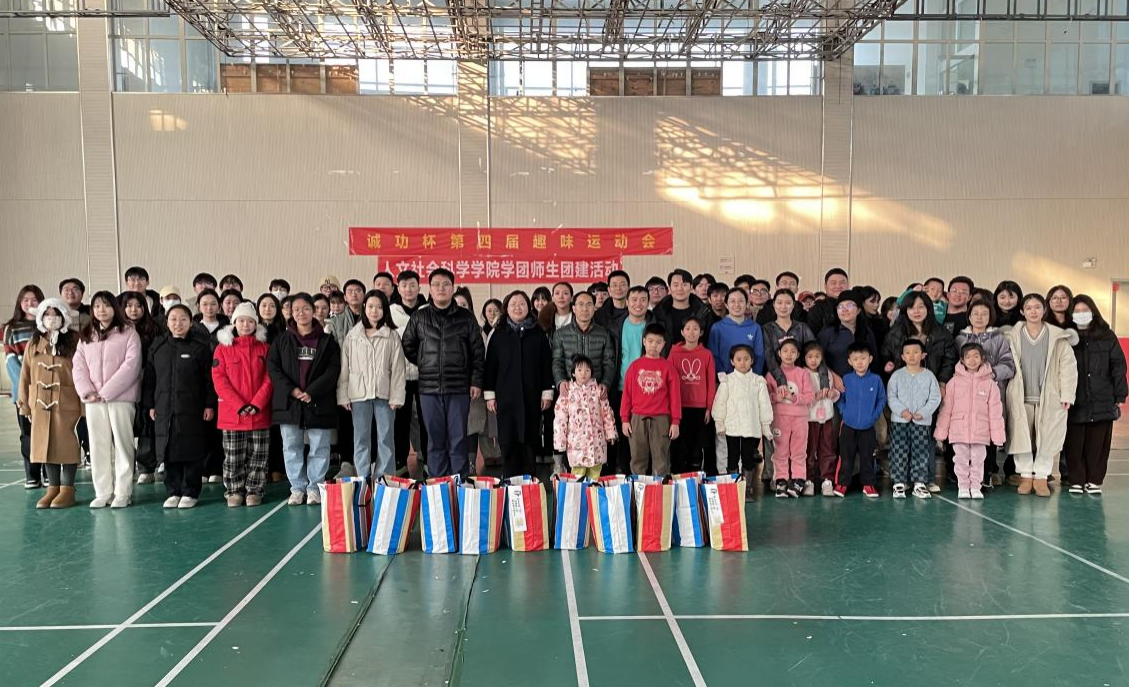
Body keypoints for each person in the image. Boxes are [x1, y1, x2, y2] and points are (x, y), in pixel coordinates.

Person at [401, 269, 486, 479]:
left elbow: (478, 351)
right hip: (429, 389)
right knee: (434, 440)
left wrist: (475, 381)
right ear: (430, 289)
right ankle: (438, 485)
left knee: (458, 439)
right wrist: (425, 362)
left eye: (446, 284)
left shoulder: (466, 318)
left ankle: (459, 483)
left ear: (452, 288)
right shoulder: (419, 317)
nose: (441, 288)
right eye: (436, 284)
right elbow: (408, 345)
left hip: (459, 388)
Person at [268, 293, 341, 505]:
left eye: (306, 308)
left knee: (319, 446)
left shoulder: (327, 341)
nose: (301, 313)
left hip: (318, 402)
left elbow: (333, 369)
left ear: (314, 311)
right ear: (291, 313)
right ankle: (297, 488)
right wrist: (292, 390)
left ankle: (315, 487)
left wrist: (312, 391)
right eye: (296, 309)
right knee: (291, 446)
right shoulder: (282, 340)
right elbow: (273, 368)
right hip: (289, 403)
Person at [1004, 294, 1078, 497]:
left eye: (1037, 307)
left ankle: (1042, 477)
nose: (1033, 311)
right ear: (1022, 311)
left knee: (1048, 438)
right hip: (1021, 396)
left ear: (1044, 310)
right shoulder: (1011, 336)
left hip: (1050, 397)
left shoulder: (1057, 337)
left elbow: (1068, 367)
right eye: (1029, 308)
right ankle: (1026, 476)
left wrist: (1067, 394)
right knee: (1021, 437)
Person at [73, 291, 142, 508]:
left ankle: (123, 492)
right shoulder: (86, 336)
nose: (101, 310)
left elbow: (131, 365)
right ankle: (103, 492)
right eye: (96, 306)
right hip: (93, 400)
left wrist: (107, 391)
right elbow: (78, 366)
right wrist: (87, 391)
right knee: (97, 445)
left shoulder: (129, 333)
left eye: (106, 305)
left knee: (123, 444)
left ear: (115, 308)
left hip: (120, 398)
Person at [145, 305, 216, 509]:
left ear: (191, 322)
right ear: (167, 322)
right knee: (168, 450)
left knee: (191, 449)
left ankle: (190, 491)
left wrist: (209, 404)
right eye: (174, 319)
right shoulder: (158, 347)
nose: (178, 323)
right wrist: (150, 404)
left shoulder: (200, 347)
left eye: (183, 319)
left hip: (193, 408)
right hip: (164, 407)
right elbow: (150, 379)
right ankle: (173, 491)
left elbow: (209, 380)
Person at [17, 299, 81, 509]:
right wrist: (24, 403)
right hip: (40, 401)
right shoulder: (34, 342)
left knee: (67, 444)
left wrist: (83, 404)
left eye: (55, 314)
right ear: (40, 317)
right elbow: (25, 374)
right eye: (47, 314)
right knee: (45, 444)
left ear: (63, 317)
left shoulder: (74, 340)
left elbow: (82, 371)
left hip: (67, 399)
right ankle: (52, 488)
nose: (51, 318)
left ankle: (67, 489)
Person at [337, 290, 406, 482]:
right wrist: (343, 395)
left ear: (385, 310)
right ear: (364, 308)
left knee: (385, 439)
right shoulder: (353, 336)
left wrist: (397, 396)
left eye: (379, 307)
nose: (374, 311)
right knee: (361, 439)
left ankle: (384, 480)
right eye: (370, 306)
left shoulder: (391, 336)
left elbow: (398, 369)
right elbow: (345, 368)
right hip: (358, 394)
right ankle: (363, 478)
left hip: (385, 394)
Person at [485, 290, 554, 478]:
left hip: (532, 396)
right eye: (513, 304)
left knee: (530, 441)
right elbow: (490, 366)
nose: (518, 307)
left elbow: (546, 364)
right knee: (508, 441)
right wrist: (490, 395)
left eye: (522, 304)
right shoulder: (498, 334)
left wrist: (546, 392)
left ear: (528, 307)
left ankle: (529, 484)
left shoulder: (537, 333)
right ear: (506, 308)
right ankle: (509, 482)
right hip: (505, 397)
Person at [1063, 295, 1127, 495]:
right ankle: (1076, 479)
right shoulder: (1066, 336)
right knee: (1074, 442)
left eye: (1085, 310)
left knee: (1098, 443)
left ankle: (1094, 480)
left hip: (1103, 396)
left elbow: (1118, 365)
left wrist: (1120, 394)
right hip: (1074, 397)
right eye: (1077, 311)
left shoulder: (1107, 335)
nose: (1081, 314)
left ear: (1093, 312)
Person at [213, 302, 274, 507]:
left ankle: (255, 490)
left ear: (256, 324)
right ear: (234, 323)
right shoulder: (222, 349)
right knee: (233, 456)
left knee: (259, 455)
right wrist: (239, 404)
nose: (245, 325)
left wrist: (257, 403)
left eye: (250, 321)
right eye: (241, 321)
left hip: (259, 412)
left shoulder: (265, 349)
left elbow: (269, 379)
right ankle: (234, 490)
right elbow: (219, 380)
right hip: (232, 414)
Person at [956, 299, 1015, 489]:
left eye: (984, 313)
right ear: (969, 316)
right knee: (964, 435)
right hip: (965, 396)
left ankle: (988, 473)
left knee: (987, 433)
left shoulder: (999, 339)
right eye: (976, 313)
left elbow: (1009, 365)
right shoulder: (960, 339)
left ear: (991, 316)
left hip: (990, 393)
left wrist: (991, 374)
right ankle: (963, 477)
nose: (979, 317)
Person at [935, 343, 1007, 499]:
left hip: (981, 432)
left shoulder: (990, 384)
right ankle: (963, 486)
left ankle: (975, 487)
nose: (972, 360)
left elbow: (995, 412)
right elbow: (946, 410)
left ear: (982, 359)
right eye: (968, 357)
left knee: (978, 460)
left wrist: (997, 437)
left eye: (976, 356)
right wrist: (941, 432)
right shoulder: (953, 382)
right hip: (958, 430)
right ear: (962, 360)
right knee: (960, 459)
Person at [620, 323, 680, 476]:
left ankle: (661, 489)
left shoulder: (668, 368)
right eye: (650, 341)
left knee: (661, 459)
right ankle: (638, 489)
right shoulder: (634, 367)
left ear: (664, 344)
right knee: (637, 458)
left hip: (661, 419)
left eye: (658, 342)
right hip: (637, 418)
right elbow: (627, 395)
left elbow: (675, 397)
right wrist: (625, 419)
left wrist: (675, 422)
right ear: (644, 341)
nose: (654, 345)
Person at [713, 344, 773, 494]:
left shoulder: (758, 381)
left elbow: (764, 404)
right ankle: (733, 487)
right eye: (738, 359)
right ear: (732, 361)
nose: (742, 363)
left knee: (748, 457)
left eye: (746, 359)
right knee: (732, 456)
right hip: (732, 426)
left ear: (752, 360)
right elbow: (720, 403)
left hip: (751, 427)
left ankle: (747, 488)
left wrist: (765, 425)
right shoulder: (727, 381)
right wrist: (719, 422)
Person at [886, 340, 942, 500]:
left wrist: (923, 412)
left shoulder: (929, 376)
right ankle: (899, 482)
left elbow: (935, 397)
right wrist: (902, 411)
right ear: (902, 356)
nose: (911, 356)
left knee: (921, 452)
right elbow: (891, 396)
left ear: (923, 355)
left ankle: (919, 483)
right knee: (898, 451)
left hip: (921, 422)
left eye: (916, 352)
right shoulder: (897, 375)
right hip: (899, 422)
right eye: (907, 352)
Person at [5, 284, 45, 488]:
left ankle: (49, 473)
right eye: (26, 300)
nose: (30, 303)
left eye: (34, 300)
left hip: (46, 390)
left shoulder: (46, 326)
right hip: (23, 392)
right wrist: (25, 386)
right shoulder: (11, 328)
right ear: (20, 303)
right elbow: (10, 360)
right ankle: (32, 475)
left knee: (46, 431)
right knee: (27, 434)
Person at [834, 342, 886, 498]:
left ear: (870, 359)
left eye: (863, 358)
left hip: (868, 427)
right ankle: (842, 484)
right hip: (848, 426)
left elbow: (882, 400)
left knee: (867, 456)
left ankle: (868, 485)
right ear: (849, 361)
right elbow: (839, 398)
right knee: (846, 456)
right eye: (855, 359)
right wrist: (844, 412)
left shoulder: (876, 380)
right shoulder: (846, 379)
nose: (860, 362)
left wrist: (873, 416)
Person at [553, 355, 617, 481]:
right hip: (577, 445)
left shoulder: (598, 390)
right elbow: (560, 418)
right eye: (579, 370)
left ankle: (593, 494)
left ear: (591, 372)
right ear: (573, 373)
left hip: (597, 444)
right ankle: (580, 494)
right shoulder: (568, 392)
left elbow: (607, 412)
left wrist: (610, 433)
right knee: (578, 478)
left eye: (587, 370)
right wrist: (560, 441)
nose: (583, 373)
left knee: (595, 476)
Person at [120, 291, 162, 485]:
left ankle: (146, 467)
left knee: (146, 423)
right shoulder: (116, 330)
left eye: (138, 306)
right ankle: (126, 466)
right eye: (129, 306)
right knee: (124, 426)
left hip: (147, 381)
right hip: (122, 384)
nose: (133, 310)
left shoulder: (154, 329)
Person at [390, 270, 429, 475]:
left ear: (419, 287)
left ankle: (429, 461)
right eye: (404, 285)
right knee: (401, 422)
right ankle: (401, 463)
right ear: (398, 288)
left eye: (412, 285)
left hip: (426, 375)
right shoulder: (391, 312)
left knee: (427, 420)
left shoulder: (429, 310)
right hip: (400, 376)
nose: (408, 289)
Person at [765, 339, 814, 498]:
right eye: (785, 351)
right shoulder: (772, 374)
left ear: (798, 355)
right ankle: (781, 481)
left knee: (799, 450)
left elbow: (810, 396)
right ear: (779, 353)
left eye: (793, 351)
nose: (788, 354)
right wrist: (776, 398)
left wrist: (793, 398)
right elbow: (765, 397)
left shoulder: (803, 373)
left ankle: (799, 480)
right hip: (779, 418)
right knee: (780, 450)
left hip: (800, 418)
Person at [668, 317, 716, 474]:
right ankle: (679, 478)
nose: (691, 332)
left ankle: (695, 478)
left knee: (697, 447)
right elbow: (668, 381)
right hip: (679, 407)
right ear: (682, 332)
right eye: (687, 328)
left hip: (699, 408)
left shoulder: (707, 355)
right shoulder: (674, 353)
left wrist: (709, 408)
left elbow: (710, 382)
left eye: (695, 329)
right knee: (679, 447)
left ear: (701, 332)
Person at [802, 342, 841, 497]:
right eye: (810, 357)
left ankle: (827, 480)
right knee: (809, 450)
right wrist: (816, 396)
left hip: (827, 418)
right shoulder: (802, 373)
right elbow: (801, 397)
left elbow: (836, 393)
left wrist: (833, 394)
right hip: (809, 419)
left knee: (827, 449)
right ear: (804, 358)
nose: (814, 360)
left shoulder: (827, 373)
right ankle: (809, 480)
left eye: (817, 356)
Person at [818, 289, 877, 378]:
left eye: (849, 305)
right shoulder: (827, 332)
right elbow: (818, 359)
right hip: (835, 384)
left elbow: (874, 363)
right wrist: (832, 376)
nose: (844, 309)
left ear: (859, 310)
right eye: (840, 306)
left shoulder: (867, 332)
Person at [762, 289, 816, 384]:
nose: (783, 307)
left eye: (788, 303)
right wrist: (781, 380)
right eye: (779, 303)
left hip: (800, 378)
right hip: (774, 379)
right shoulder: (766, 328)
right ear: (774, 304)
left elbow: (814, 351)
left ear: (793, 305)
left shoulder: (802, 327)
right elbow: (769, 357)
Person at [708, 287, 765, 375]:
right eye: (732, 301)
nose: (737, 305)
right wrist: (722, 377)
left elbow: (759, 355)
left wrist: (754, 377)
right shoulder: (717, 328)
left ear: (746, 303)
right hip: (725, 379)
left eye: (741, 301)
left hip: (750, 379)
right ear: (726, 305)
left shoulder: (755, 327)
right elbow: (713, 355)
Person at [652, 269, 711, 354]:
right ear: (669, 288)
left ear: (691, 287)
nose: (680, 289)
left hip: (695, 359)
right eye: (676, 285)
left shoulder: (703, 313)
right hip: (666, 360)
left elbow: (707, 343)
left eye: (684, 284)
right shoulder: (658, 313)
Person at [806, 268, 849, 335]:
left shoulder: (855, 306)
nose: (838, 286)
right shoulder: (817, 308)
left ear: (848, 285)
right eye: (833, 283)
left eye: (842, 282)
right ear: (825, 286)